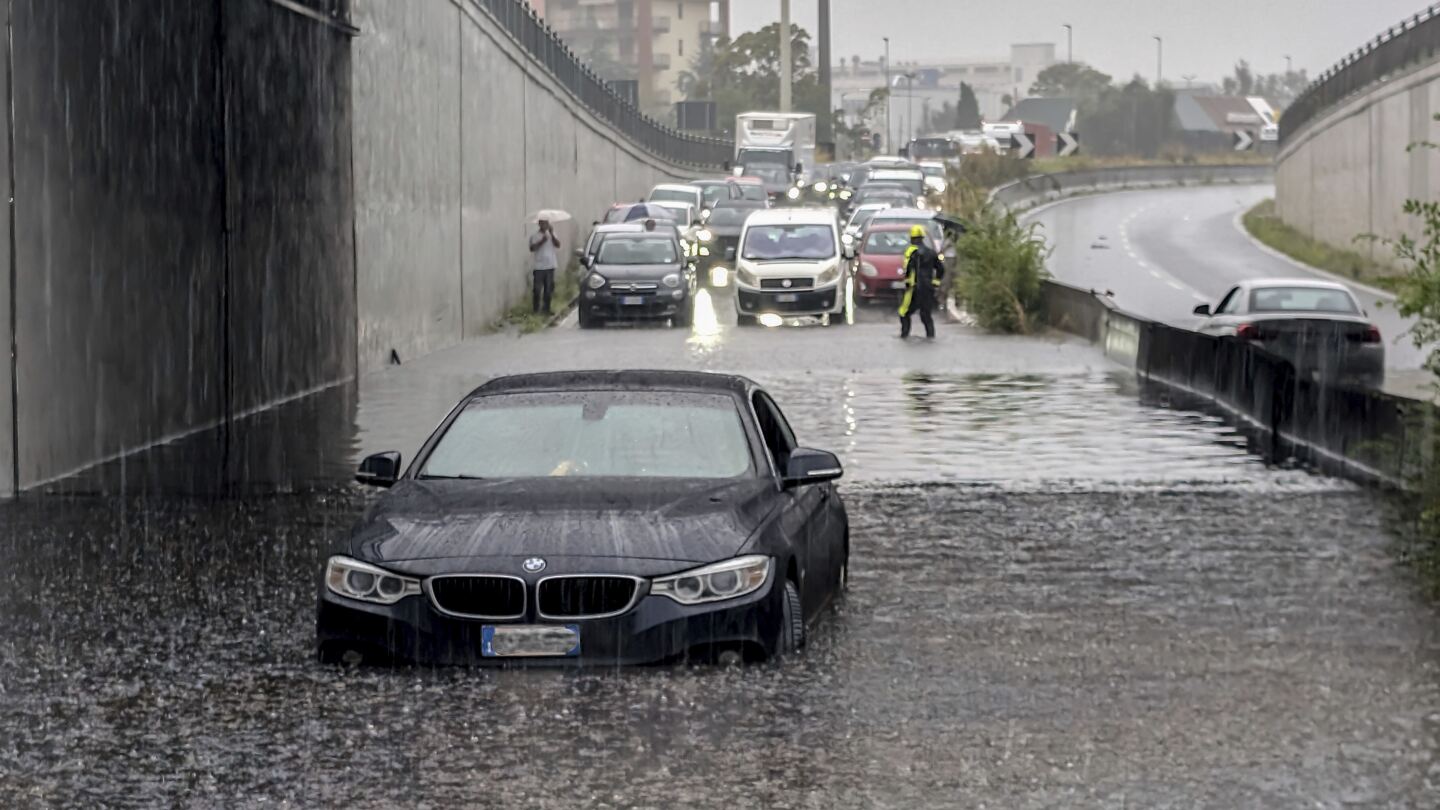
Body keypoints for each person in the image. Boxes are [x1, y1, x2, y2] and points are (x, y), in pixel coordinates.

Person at [898, 224, 944, 339]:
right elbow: (941, 269)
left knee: (904, 312)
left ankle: (905, 334)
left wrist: (907, 284)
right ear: (923, 238)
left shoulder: (911, 251)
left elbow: (908, 269)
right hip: (928, 288)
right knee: (926, 315)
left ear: (912, 238)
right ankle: (930, 336)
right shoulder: (931, 252)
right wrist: (936, 283)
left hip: (914, 288)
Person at [529, 218, 560, 314]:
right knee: (537, 290)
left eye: (546, 223)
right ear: (539, 224)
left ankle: (546, 309)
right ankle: (536, 309)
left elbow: (558, 244)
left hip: (550, 265)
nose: (545, 225)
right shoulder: (535, 236)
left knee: (548, 290)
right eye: (543, 223)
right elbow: (532, 248)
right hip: (539, 266)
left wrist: (551, 234)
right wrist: (542, 240)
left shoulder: (552, 234)